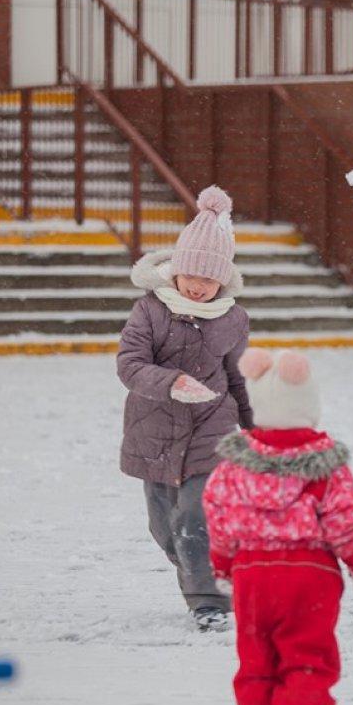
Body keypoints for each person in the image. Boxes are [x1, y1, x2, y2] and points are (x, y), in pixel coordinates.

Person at [203, 347, 353, 705]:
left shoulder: (234, 467)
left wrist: (223, 563)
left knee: (256, 660)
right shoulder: (324, 465)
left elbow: (218, 513)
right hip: (310, 576)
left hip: (251, 576)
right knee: (306, 659)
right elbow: (346, 521)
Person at [117, 185, 253, 632]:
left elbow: (236, 376)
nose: (198, 286)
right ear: (176, 270)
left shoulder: (232, 318)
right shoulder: (149, 312)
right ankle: (209, 567)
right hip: (155, 431)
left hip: (213, 428)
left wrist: (253, 429)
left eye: (209, 278)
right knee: (166, 528)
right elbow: (130, 364)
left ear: (223, 280)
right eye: (191, 274)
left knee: (195, 515)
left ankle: (208, 601)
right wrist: (170, 382)